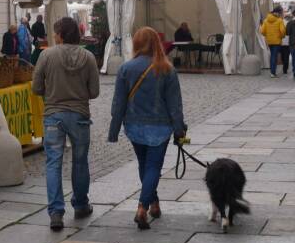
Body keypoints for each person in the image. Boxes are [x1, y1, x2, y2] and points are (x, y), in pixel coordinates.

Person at [108, 27, 187, 230]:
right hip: (160, 128)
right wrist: (180, 131)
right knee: (152, 168)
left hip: (134, 126)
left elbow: (118, 104)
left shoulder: (126, 69)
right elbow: (175, 105)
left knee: (145, 166)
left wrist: (114, 130)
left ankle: (154, 204)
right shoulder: (167, 68)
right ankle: (143, 207)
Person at [32, 17, 100, 231]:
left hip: (53, 114)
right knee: (80, 161)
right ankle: (80, 204)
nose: (53, 36)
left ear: (61, 34)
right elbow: (95, 92)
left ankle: (56, 212)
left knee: (53, 163)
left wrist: (51, 92)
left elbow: (36, 87)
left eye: (55, 33)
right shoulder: (88, 57)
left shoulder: (47, 55)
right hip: (79, 115)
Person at [260, 7, 287, 78]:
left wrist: (267, 35)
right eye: (281, 12)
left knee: (272, 56)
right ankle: (273, 72)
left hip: (269, 41)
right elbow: (283, 31)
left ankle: (272, 72)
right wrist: (282, 36)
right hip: (277, 41)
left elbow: (262, 31)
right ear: (278, 12)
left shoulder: (266, 20)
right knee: (274, 57)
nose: (282, 14)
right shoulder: (279, 20)